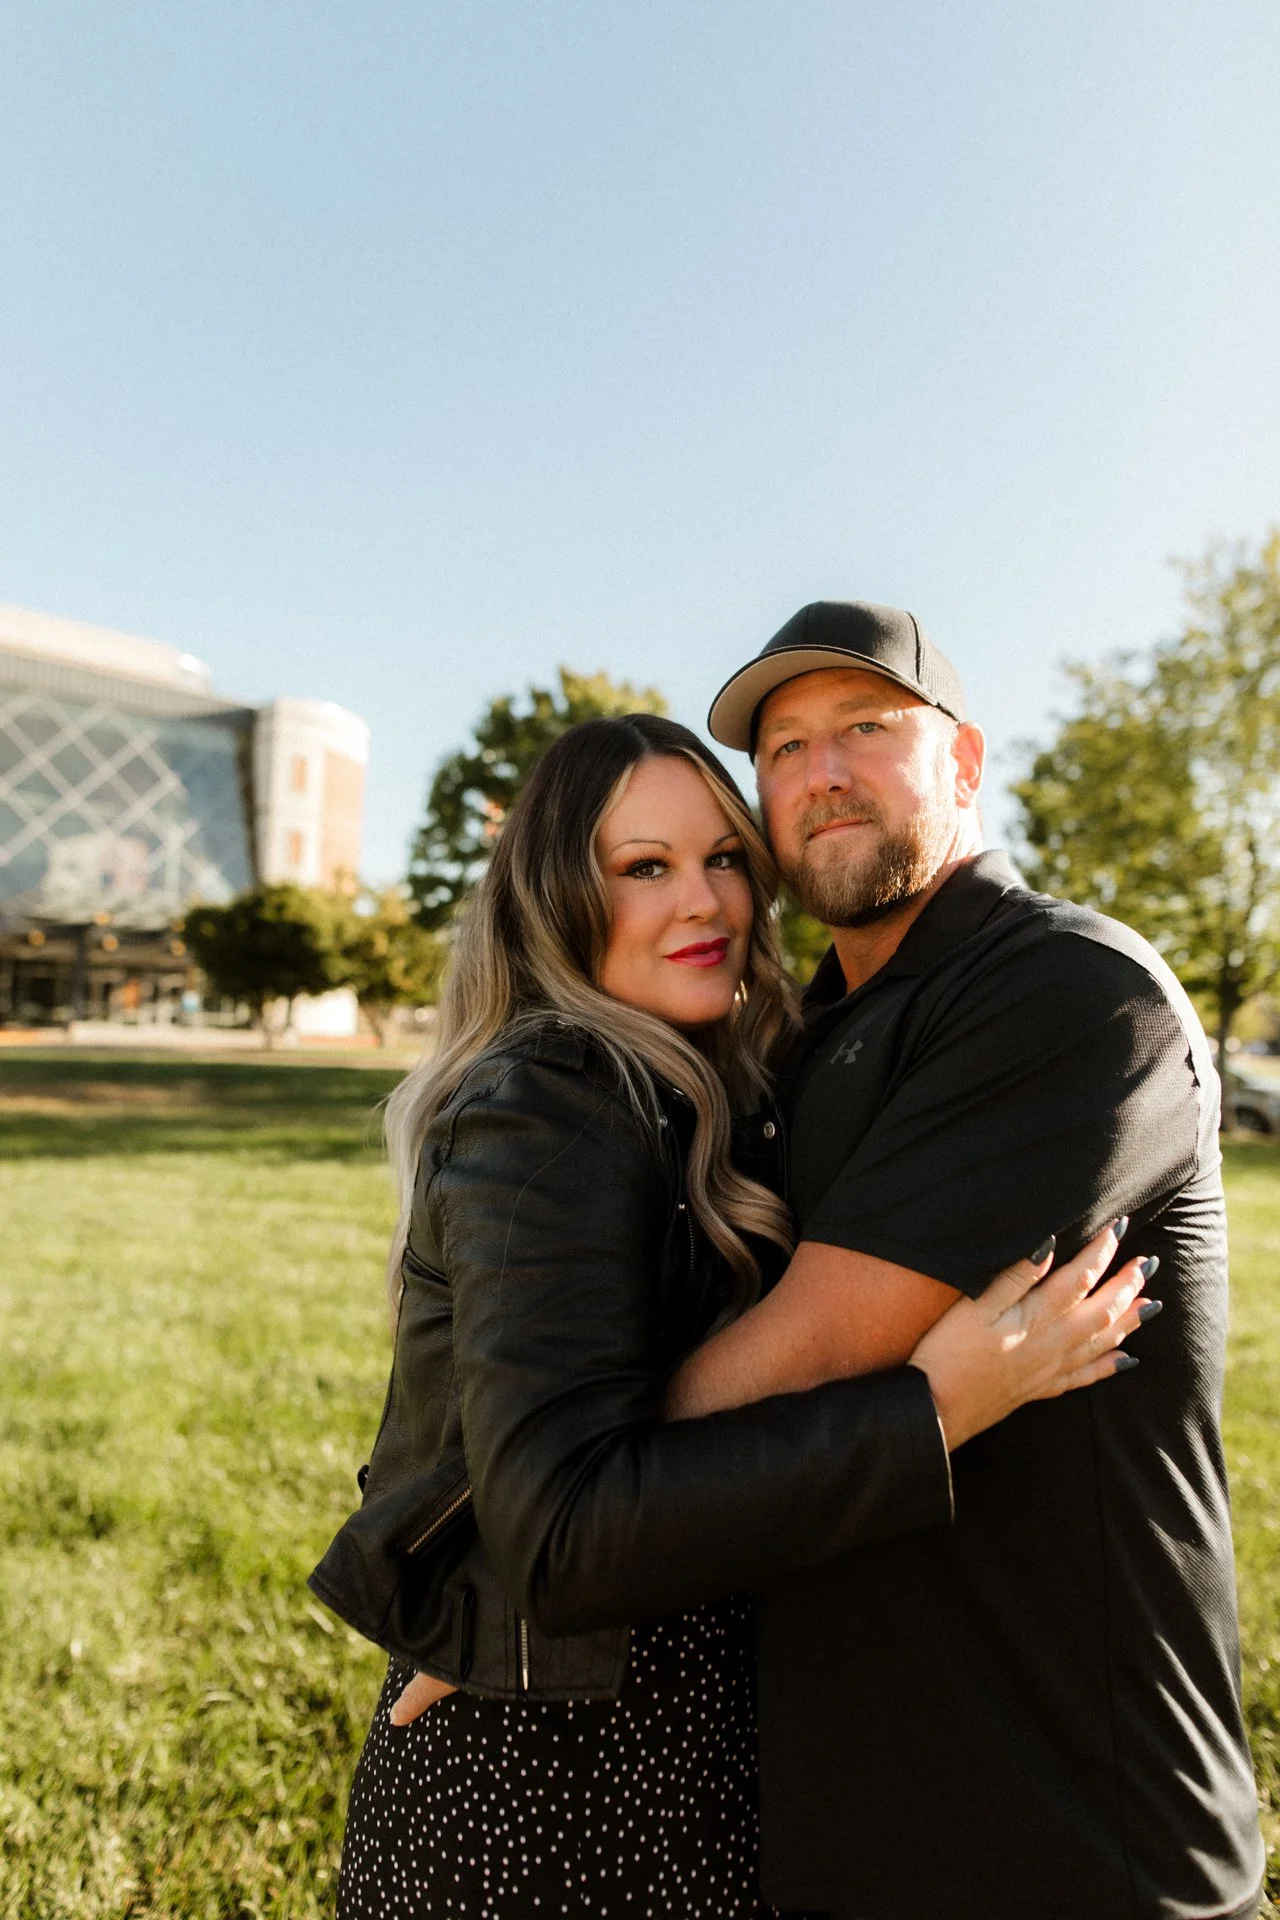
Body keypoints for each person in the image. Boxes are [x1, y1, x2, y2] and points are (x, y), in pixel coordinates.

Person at [310, 712, 1153, 1919]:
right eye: (642, 867)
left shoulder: (704, 1088)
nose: (702, 901)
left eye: (720, 859)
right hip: (549, 1790)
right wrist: (933, 1408)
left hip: (686, 1752)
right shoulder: (551, 1098)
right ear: (555, 898)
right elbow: (564, 1528)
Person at [672, 599, 1265, 1920]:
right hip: (849, 1822)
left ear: (965, 758)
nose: (821, 773)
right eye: (783, 749)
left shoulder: (1070, 992)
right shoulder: (792, 1040)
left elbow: (808, 1356)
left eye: (866, 728)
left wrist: (541, 1525)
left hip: (1077, 1833)